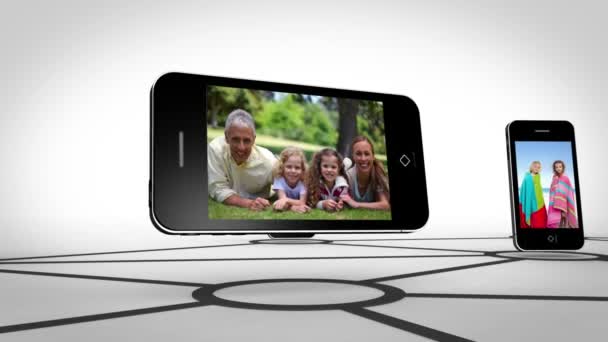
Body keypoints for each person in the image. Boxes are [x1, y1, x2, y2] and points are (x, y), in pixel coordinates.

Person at [207, 109, 277, 211]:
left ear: (254, 139)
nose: (241, 147)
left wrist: (291, 202)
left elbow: (286, 181)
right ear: (226, 137)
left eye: (247, 140)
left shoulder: (268, 161)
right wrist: (249, 203)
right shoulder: (216, 149)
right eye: (235, 140)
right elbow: (218, 189)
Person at [340, 136, 390, 210]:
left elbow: (385, 205)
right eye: (358, 154)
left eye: (367, 154)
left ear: (373, 156)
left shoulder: (378, 174)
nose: (363, 158)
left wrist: (356, 204)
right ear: (353, 156)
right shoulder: (348, 176)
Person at [271, 147, 310, 213]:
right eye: (289, 167)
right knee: (276, 204)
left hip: (303, 201)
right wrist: (293, 207)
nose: (293, 171)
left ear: (302, 169)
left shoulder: (303, 182)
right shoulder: (279, 179)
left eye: (297, 168)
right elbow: (282, 200)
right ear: (282, 167)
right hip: (287, 202)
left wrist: (286, 200)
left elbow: (302, 202)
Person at [547, 160, 578, 228]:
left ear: (563, 167)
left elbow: (569, 193)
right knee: (555, 224)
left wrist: (563, 209)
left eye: (560, 167)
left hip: (563, 206)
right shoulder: (554, 178)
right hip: (553, 204)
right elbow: (552, 192)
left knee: (563, 223)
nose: (558, 168)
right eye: (556, 167)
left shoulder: (565, 178)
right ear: (554, 168)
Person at [519, 161, 548, 228]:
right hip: (530, 201)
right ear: (531, 167)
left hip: (539, 201)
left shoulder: (538, 176)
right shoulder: (527, 178)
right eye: (535, 166)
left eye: (538, 167)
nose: (537, 168)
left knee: (541, 221)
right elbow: (525, 191)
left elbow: (538, 190)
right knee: (533, 219)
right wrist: (528, 200)